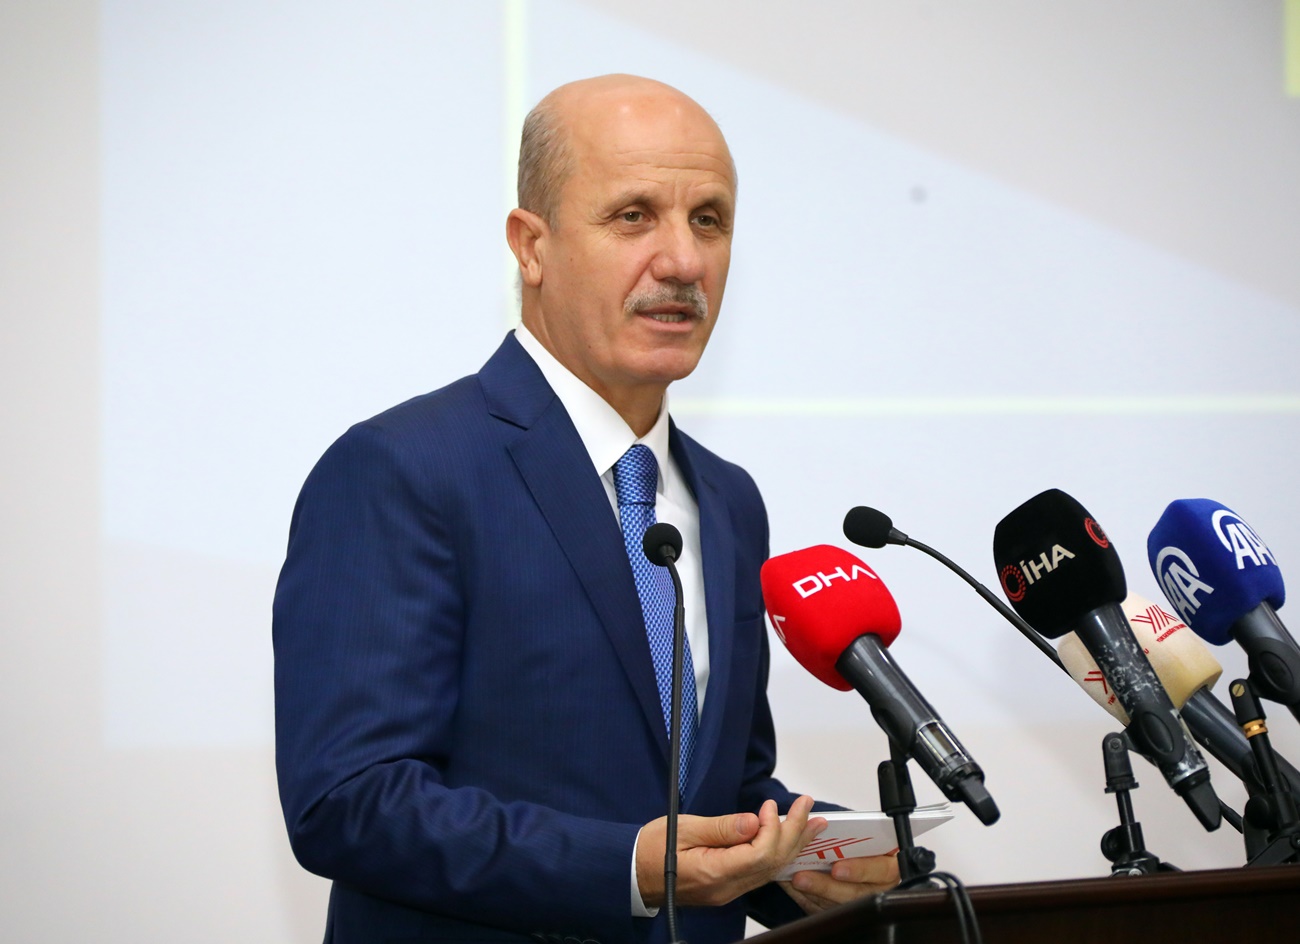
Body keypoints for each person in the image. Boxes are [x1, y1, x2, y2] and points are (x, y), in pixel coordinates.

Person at [273, 74, 898, 944]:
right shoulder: (403, 468)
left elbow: (715, 791)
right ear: (531, 247)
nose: (683, 262)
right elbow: (349, 800)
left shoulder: (728, 499)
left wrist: (818, 854)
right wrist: (626, 868)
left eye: (708, 220)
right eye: (634, 216)